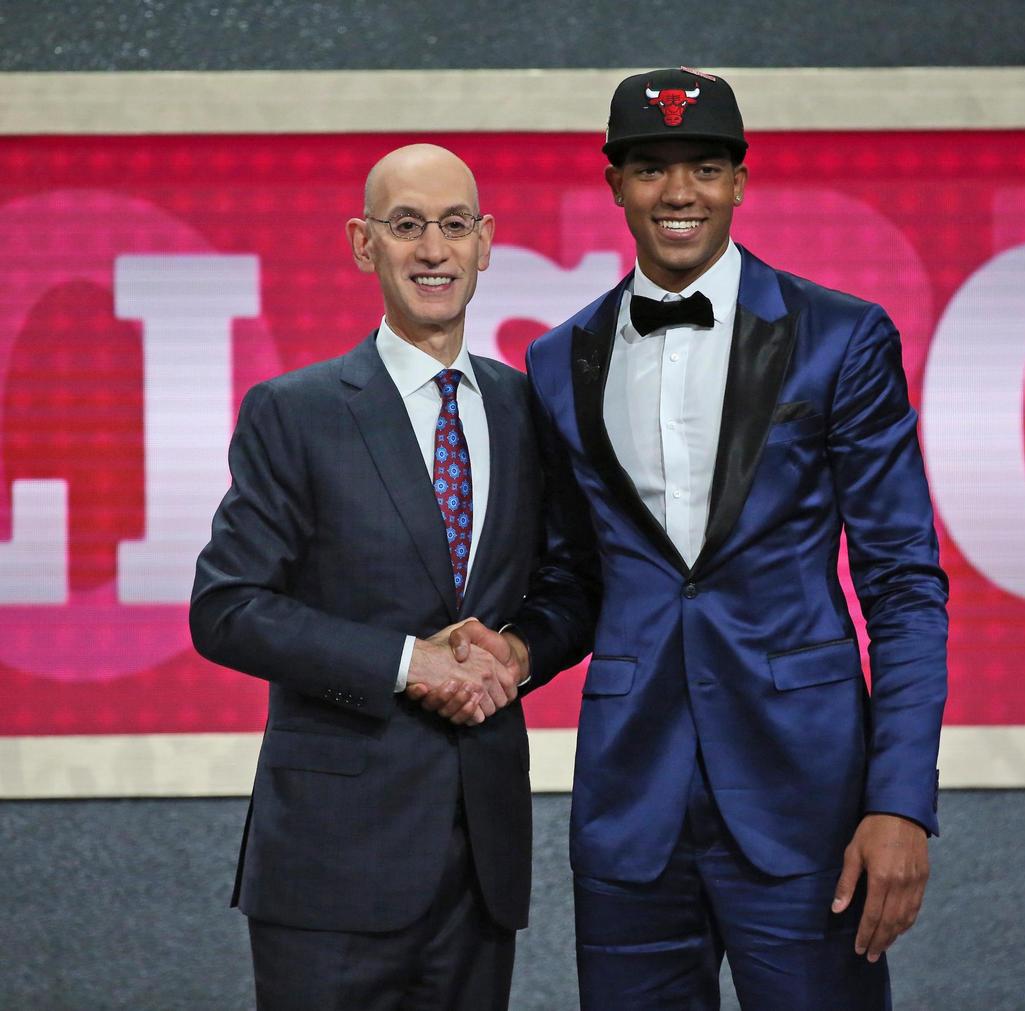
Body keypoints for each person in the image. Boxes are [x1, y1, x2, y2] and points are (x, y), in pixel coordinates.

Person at [451, 69, 949, 1009]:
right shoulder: (557, 360)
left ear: (740, 182)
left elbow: (904, 586)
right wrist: (517, 648)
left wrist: (899, 801)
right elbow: (579, 577)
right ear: (616, 184)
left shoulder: (840, 338)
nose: (679, 192)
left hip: (807, 804)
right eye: (651, 168)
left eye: (705, 168)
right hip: (631, 805)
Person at [189, 143, 540, 1010]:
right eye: (406, 225)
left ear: (486, 241)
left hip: (481, 863)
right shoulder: (294, 411)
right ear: (362, 243)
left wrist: (520, 652)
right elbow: (227, 607)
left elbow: (571, 582)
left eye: (454, 225)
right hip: (330, 868)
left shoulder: (527, 410)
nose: (434, 249)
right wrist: (408, 662)